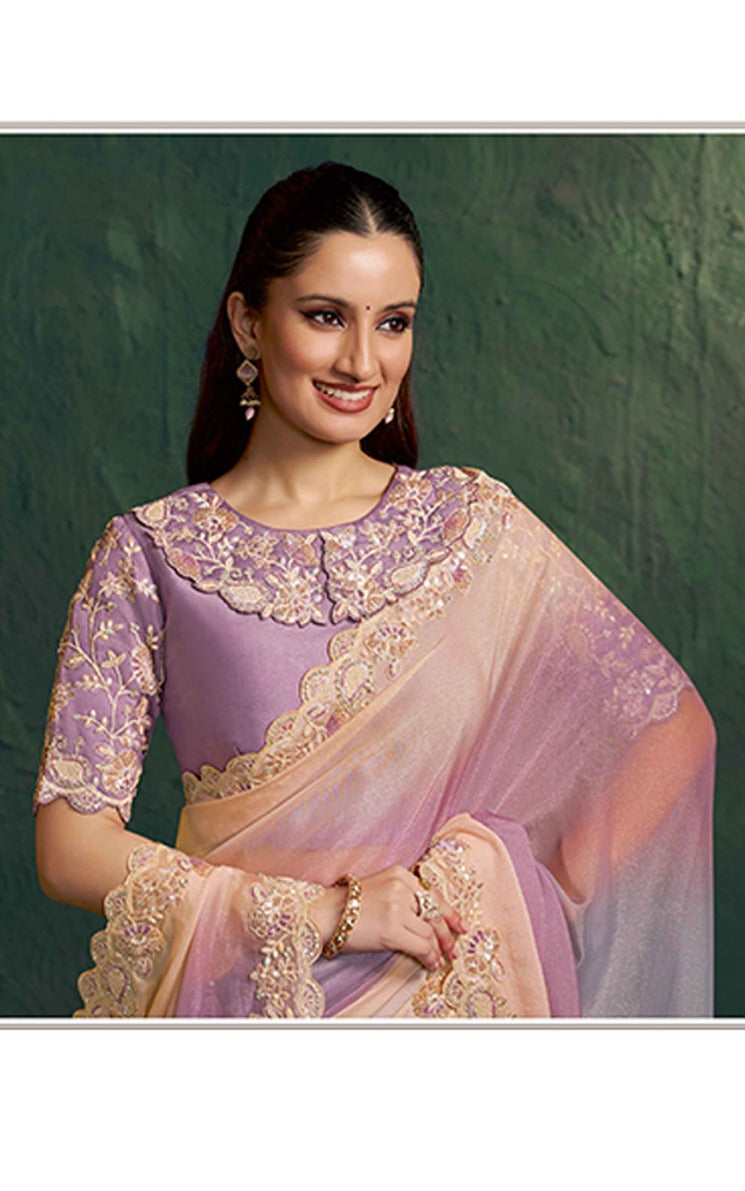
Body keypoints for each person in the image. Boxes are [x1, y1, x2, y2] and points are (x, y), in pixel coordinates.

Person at [33, 162, 715, 1018]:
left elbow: (669, 733)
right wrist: (323, 915)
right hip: (244, 1012)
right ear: (247, 322)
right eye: (325, 316)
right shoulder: (151, 555)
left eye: (393, 322)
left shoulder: (469, 526)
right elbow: (69, 846)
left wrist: (500, 884)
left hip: (447, 1010)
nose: (363, 361)